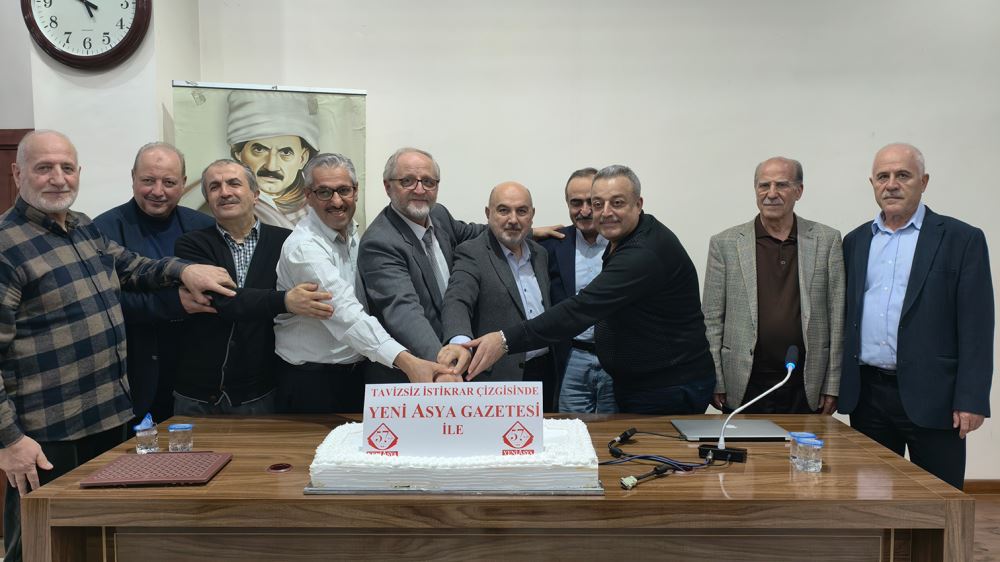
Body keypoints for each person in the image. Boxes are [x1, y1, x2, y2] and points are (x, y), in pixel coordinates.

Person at [0, 130, 236, 561]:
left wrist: (184, 271)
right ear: (18, 174)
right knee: (41, 544)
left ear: (78, 172)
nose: (58, 178)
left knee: (100, 540)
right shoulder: (6, 247)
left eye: (66, 168)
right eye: (44, 168)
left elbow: (132, 267)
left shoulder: (82, 227)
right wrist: (10, 441)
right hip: (49, 431)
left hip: (109, 419)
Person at [464, 165, 715, 415]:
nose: (605, 213)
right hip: (637, 378)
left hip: (667, 386)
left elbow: (580, 309)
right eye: (598, 204)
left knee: (647, 442)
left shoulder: (643, 253)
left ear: (638, 204)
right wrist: (529, 233)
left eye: (617, 203)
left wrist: (505, 340)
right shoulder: (630, 234)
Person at [839, 143, 994, 490]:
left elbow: (977, 327)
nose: (891, 184)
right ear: (872, 184)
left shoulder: (961, 239)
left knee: (939, 499)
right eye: (883, 176)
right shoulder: (855, 241)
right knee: (874, 499)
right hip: (868, 397)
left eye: (903, 175)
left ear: (923, 182)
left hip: (935, 396)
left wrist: (971, 398)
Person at [275, 153, 458, 414]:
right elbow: (347, 316)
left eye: (343, 190)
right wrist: (408, 362)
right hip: (313, 381)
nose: (337, 201)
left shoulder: (351, 231)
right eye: (324, 192)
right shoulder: (304, 249)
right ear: (308, 196)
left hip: (354, 372)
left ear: (356, 191)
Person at [172, 159, 334, 415]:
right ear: (208, 199)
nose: (225, 192)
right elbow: (221, 300)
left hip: (260, 390)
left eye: (234, 183)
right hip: (195, 394)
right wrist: (285, 301)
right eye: (214, 187)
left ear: (255, 194)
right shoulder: (190, 244)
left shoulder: (288, 243)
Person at [702, 157, 844, 414]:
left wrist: (832, 384)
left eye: (782, 185)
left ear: (799, 191)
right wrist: (716, 379)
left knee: (803, 443)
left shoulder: (827, 241)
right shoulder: (725, 244)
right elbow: (712, 320)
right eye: (764, 185)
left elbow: (837, 318)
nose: (771, 193)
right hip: (745, 381)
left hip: (805, 381)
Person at [94, 142, 216, 423]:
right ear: (133, 178)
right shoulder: (103, 230)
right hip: (133, 374)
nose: (158, 191)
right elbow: (105, 303)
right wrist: (172, 303)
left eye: (169, 182)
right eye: (148, 180)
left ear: (183, 183)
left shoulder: (203, 226)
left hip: (196, 374)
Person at [357, 147, 487, 384]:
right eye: (407, 181)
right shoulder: (380, 242)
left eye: (428, 182)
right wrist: (442, 368)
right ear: (387, 186)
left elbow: (472, 233)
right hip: (414, 376)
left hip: (453, 361)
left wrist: (526, 233)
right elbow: (404, 312)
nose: (419, 190)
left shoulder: (439, 214)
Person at [439, 182, 558, 410]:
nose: (513, 219)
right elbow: (457, 300)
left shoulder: (540, 254)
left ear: (532, 215)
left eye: (521, 211)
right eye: (503, 210)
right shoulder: (472, 252)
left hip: (546, 371)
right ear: (488, 213)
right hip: (501, 378)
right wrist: (460, 343)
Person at [538, 168, 617, 413]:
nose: (584, 210)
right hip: (572, 359)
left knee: (616, 429)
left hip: (617, 360)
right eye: (576, 203)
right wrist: (532, 232)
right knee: (571, 430)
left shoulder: (625, 243)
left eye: (591, 202)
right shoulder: (552, 245)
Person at [227, 91, 321, 228]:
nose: (271, 166)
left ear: (302, 159)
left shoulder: (321, 207)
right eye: (259, 150)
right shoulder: (222, 204)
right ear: (238, 153)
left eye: (285, 152)